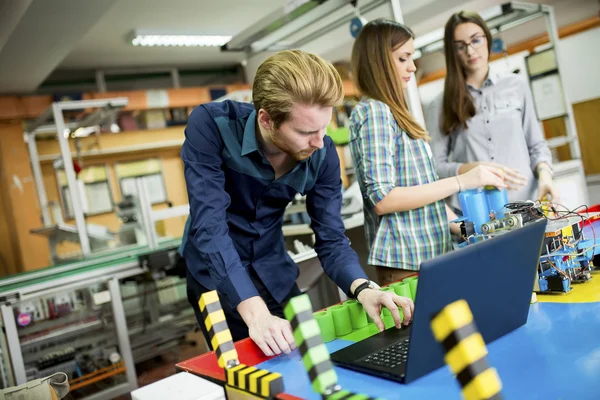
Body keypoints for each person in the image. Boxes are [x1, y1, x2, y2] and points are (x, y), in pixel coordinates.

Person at [180, 49, 414, 357]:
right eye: (306, 131)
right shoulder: (212, 126)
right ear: (266, 119)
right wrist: (256, 314)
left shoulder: (323, 152)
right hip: (214, 277)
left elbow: (331, 240)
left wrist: (363, 287)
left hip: (273, 270)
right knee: (249, 380)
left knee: (309, 361)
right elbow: (210, 227)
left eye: (324, 127)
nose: (319, 142)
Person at [348, 19, 506, 286]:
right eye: (403, 58)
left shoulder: (397, 114)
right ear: (379, 61)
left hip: (431, 254)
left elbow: (423, 193)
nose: (412, 66)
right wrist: (461, 181)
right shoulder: (375, 113)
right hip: (406, 263)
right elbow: (383, 198)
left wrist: (473, 229)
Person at [426, 10, 558, 210]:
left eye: (475, 40)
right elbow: (435, 167)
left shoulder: (516, 86)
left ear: (487, 39)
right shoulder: (441, 103)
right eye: (460, 47)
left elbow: (536, 146)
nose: (470, 52)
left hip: (528, 202)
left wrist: (545, 175)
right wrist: (470, 169)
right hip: (479, 212)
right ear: (453, 52)